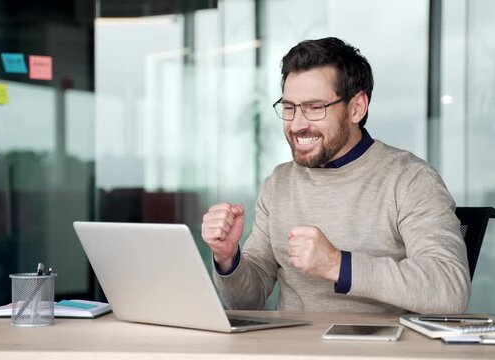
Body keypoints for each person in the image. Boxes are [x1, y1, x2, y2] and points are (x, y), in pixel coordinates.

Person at [201, 37, 470, 314]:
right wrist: (228, 257)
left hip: (380, 354)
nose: (297, 124)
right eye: (290, 107)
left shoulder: (411, 179)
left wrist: (337, 265)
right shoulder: (279, 183)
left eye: (315, 108)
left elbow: (450, 290)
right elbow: (246, 301)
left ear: (356, 108)